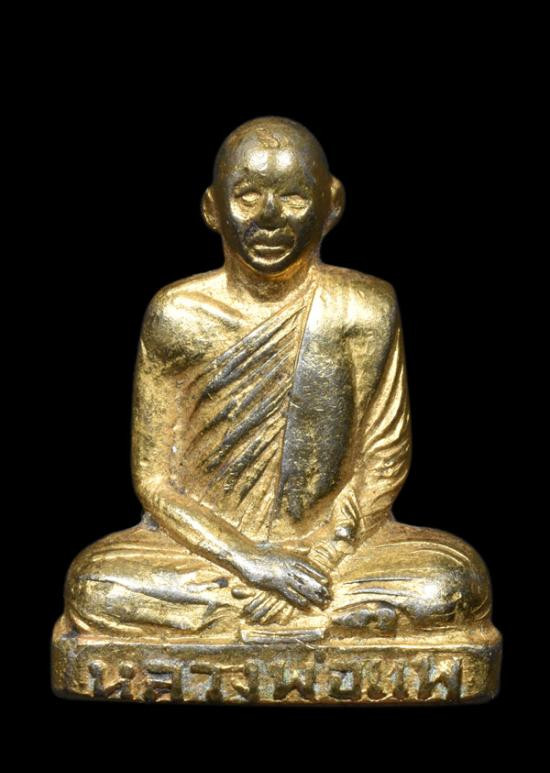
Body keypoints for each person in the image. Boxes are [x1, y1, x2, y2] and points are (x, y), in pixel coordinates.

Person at [63, 116, 492, 639]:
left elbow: (382, 458)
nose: (269, 218)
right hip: (212, 555)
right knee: (97, 584)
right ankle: (329, 620)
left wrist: (320, 560)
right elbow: (155, 481)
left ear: (331, 206)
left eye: (293, 197)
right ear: (212, 209)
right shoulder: (177, 314)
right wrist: (254, 564)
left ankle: (262, 615)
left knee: (455, 584)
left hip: (333, 554)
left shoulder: (363, 306)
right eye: (247, 197)